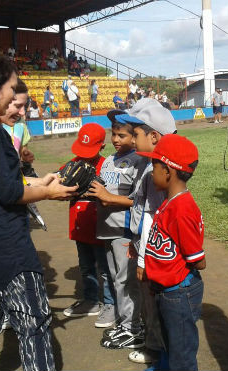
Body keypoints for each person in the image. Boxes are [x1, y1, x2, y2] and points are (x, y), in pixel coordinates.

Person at [0, 51, 77, 371]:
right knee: (34, 325)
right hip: (5, 242)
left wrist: (38, 181)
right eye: (9, 88)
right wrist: (48, 191)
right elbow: (8, 191)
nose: (12, 95)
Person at [114, 98, 177, 367]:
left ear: (153, 136)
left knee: (156, 304)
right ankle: (155, 346)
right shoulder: (149, 165)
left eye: (135, 134)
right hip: (146, 245)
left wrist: (142, 256)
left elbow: (153, 217)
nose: (131, 139)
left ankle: (158, 350)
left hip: (153, 251)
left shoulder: (157, 171)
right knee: (151, 303)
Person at [136, 134, 205, 371]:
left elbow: (198, 260)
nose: (151, 172)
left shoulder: (182, 208)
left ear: (168, 171)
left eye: (154, 167)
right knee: (169, 340)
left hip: (180, 292)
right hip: (167, 289)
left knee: (182, 351)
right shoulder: (169, 200)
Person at [87, 116, 145, 350]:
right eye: (114, 134)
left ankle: (135, 327)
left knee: (126, 280)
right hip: (107, 228)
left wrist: (109, 198)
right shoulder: (110, 159)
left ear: (134, 137)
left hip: (124, 229)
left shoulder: (138, 161)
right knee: (115, 277)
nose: (116, 139)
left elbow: (139, 201)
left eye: (122, 135)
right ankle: (125, 322)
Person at [61, 123, 116, 328]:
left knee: (105, 268)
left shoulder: (107, 165)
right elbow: (60, 185)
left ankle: (110, 304)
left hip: (100, 227)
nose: (84, 155)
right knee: (86, 267)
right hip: (79, 226)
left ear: (102, 146)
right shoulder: (73, 163)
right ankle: (91, 300)